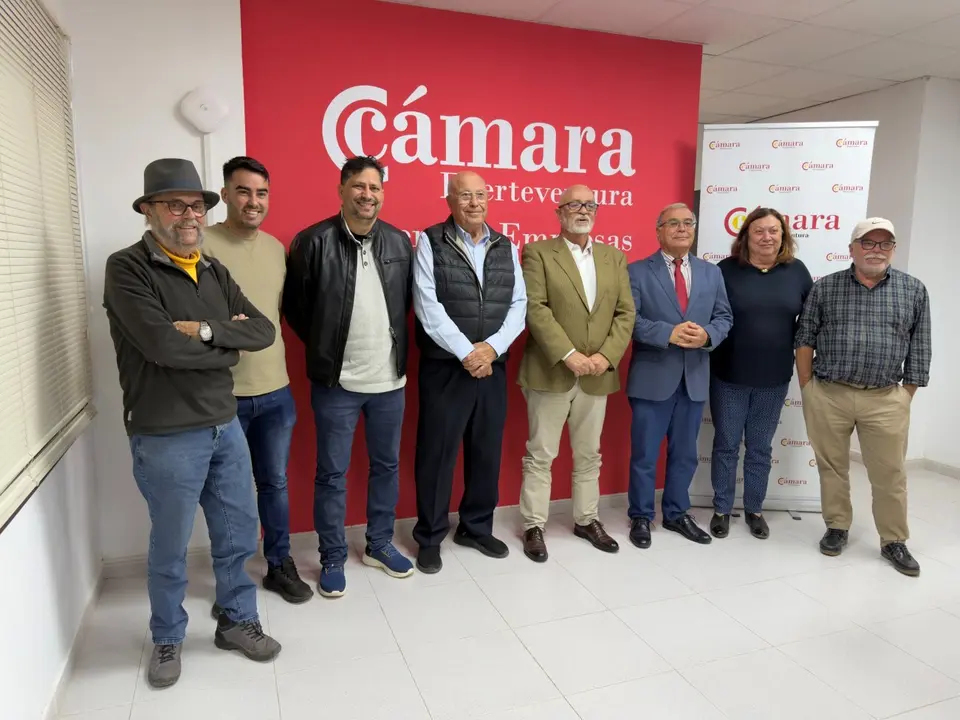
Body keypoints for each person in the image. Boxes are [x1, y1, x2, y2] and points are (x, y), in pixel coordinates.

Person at [103, 158, 282, 689]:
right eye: (175, 204)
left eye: (197, 205)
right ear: (149, 211)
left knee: (236, 533)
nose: (189, 214)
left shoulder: (212, 269)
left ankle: (236, 621)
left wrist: (205, 333)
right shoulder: (127, 268)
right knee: (171, 545)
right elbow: (160, 346)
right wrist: (227, 343)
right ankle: (167, 636)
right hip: (164, 431)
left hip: (223, 424)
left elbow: (263, 332)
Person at [282, 155, 414, 598]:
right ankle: (333, 554)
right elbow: (296, 310)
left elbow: (407, 306)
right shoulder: (312, 241)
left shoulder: (398, 243)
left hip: (389, 383)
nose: (367, 195)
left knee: (386, 467)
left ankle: (378, 544)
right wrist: (326, 348)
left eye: (375, 187)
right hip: (336, 385)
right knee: (332, 474)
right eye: (358, 186)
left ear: (383, 193)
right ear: (341, 190)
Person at [201, 156, 312, 607]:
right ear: (225, 194)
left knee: (275, 483)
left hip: (275, 391)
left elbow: (284, 315)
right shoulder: (201, 244)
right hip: (219, 396)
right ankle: (230, 581)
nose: (253, 201)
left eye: (261, 193)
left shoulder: (275, 249)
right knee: (225, 494)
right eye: (243, 191)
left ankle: (279, 564)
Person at [795, 217, 931, 577]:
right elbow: (805, 337)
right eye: (867, 243)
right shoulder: (826, 288)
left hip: (886, 397)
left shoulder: (913, 290)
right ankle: (837, 527)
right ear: (852, 248)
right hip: (829, 393)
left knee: (890, 474)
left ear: (893, 249)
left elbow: (921, 345)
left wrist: (907, 394)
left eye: (884, 244)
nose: (876, 250)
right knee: (832, 467)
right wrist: (807, 386)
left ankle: (893, 540)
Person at [412, 170, 528, 574]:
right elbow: (427, 305)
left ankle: (476, 527)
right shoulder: (430, 241)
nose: (474, 202)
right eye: (465, 196)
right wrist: (467, 352)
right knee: (437, 455)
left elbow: (519, 305)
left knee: (486, 452)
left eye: (480, 195)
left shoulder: (506, 245)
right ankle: (429, 536)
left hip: (492, 366)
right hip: (447, 366)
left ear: (489, 198)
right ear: (449, 200)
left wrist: (492, 349)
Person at [517, 185, 635, 562]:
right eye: (574, 204)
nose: (582, 210)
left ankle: (587, 519)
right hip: (551, 371)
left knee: (589, 454)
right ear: (559, 211)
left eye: (589, 204)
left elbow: (625, 313)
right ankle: (534, 525)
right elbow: (535, 308)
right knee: (541, 454)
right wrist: (568, 354)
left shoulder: (614, 257)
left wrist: (606, 356)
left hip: (597, 373)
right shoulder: (537, 252)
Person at [626, 202, 732, 549]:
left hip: (694, 377)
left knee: (685, 453)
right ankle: (641, 515)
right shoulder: (638, 271)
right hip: (652, 377)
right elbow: (630, 320)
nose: (682, 228)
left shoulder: (711, 273)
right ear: (659, 231)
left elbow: (724, 317)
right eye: (673, 223)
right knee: (644, 453)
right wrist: (667, 333)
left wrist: (707, 336)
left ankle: (675, 513)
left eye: (688, 222)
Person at [708, 207, 813, 540]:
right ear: (745, 236)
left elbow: (809, 324)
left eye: (774, 231)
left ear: (783, 236)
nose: (767, 237)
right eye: (759, 231)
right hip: (729, 374)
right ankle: (722, 508)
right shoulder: (725, 271)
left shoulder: (796, 272)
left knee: (759, 448)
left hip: (774, 377)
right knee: (725, 445)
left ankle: (754, 509)